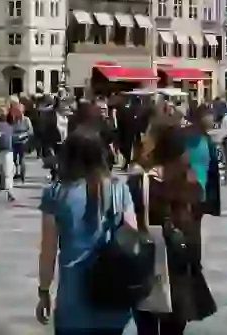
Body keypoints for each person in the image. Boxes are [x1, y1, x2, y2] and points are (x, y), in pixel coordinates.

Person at [36, 127, 137, 334]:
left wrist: (44, 291)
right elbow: (133, 236)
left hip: (73, 298)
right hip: (113, 295)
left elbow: (48, 252)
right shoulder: (119, 189)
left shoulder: (56, 193)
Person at [129, 124, 217, 334]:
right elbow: (195, 226)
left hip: (147, 266)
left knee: (146, 328)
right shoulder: (192, 185)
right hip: (181, 268)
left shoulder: (140, 183)